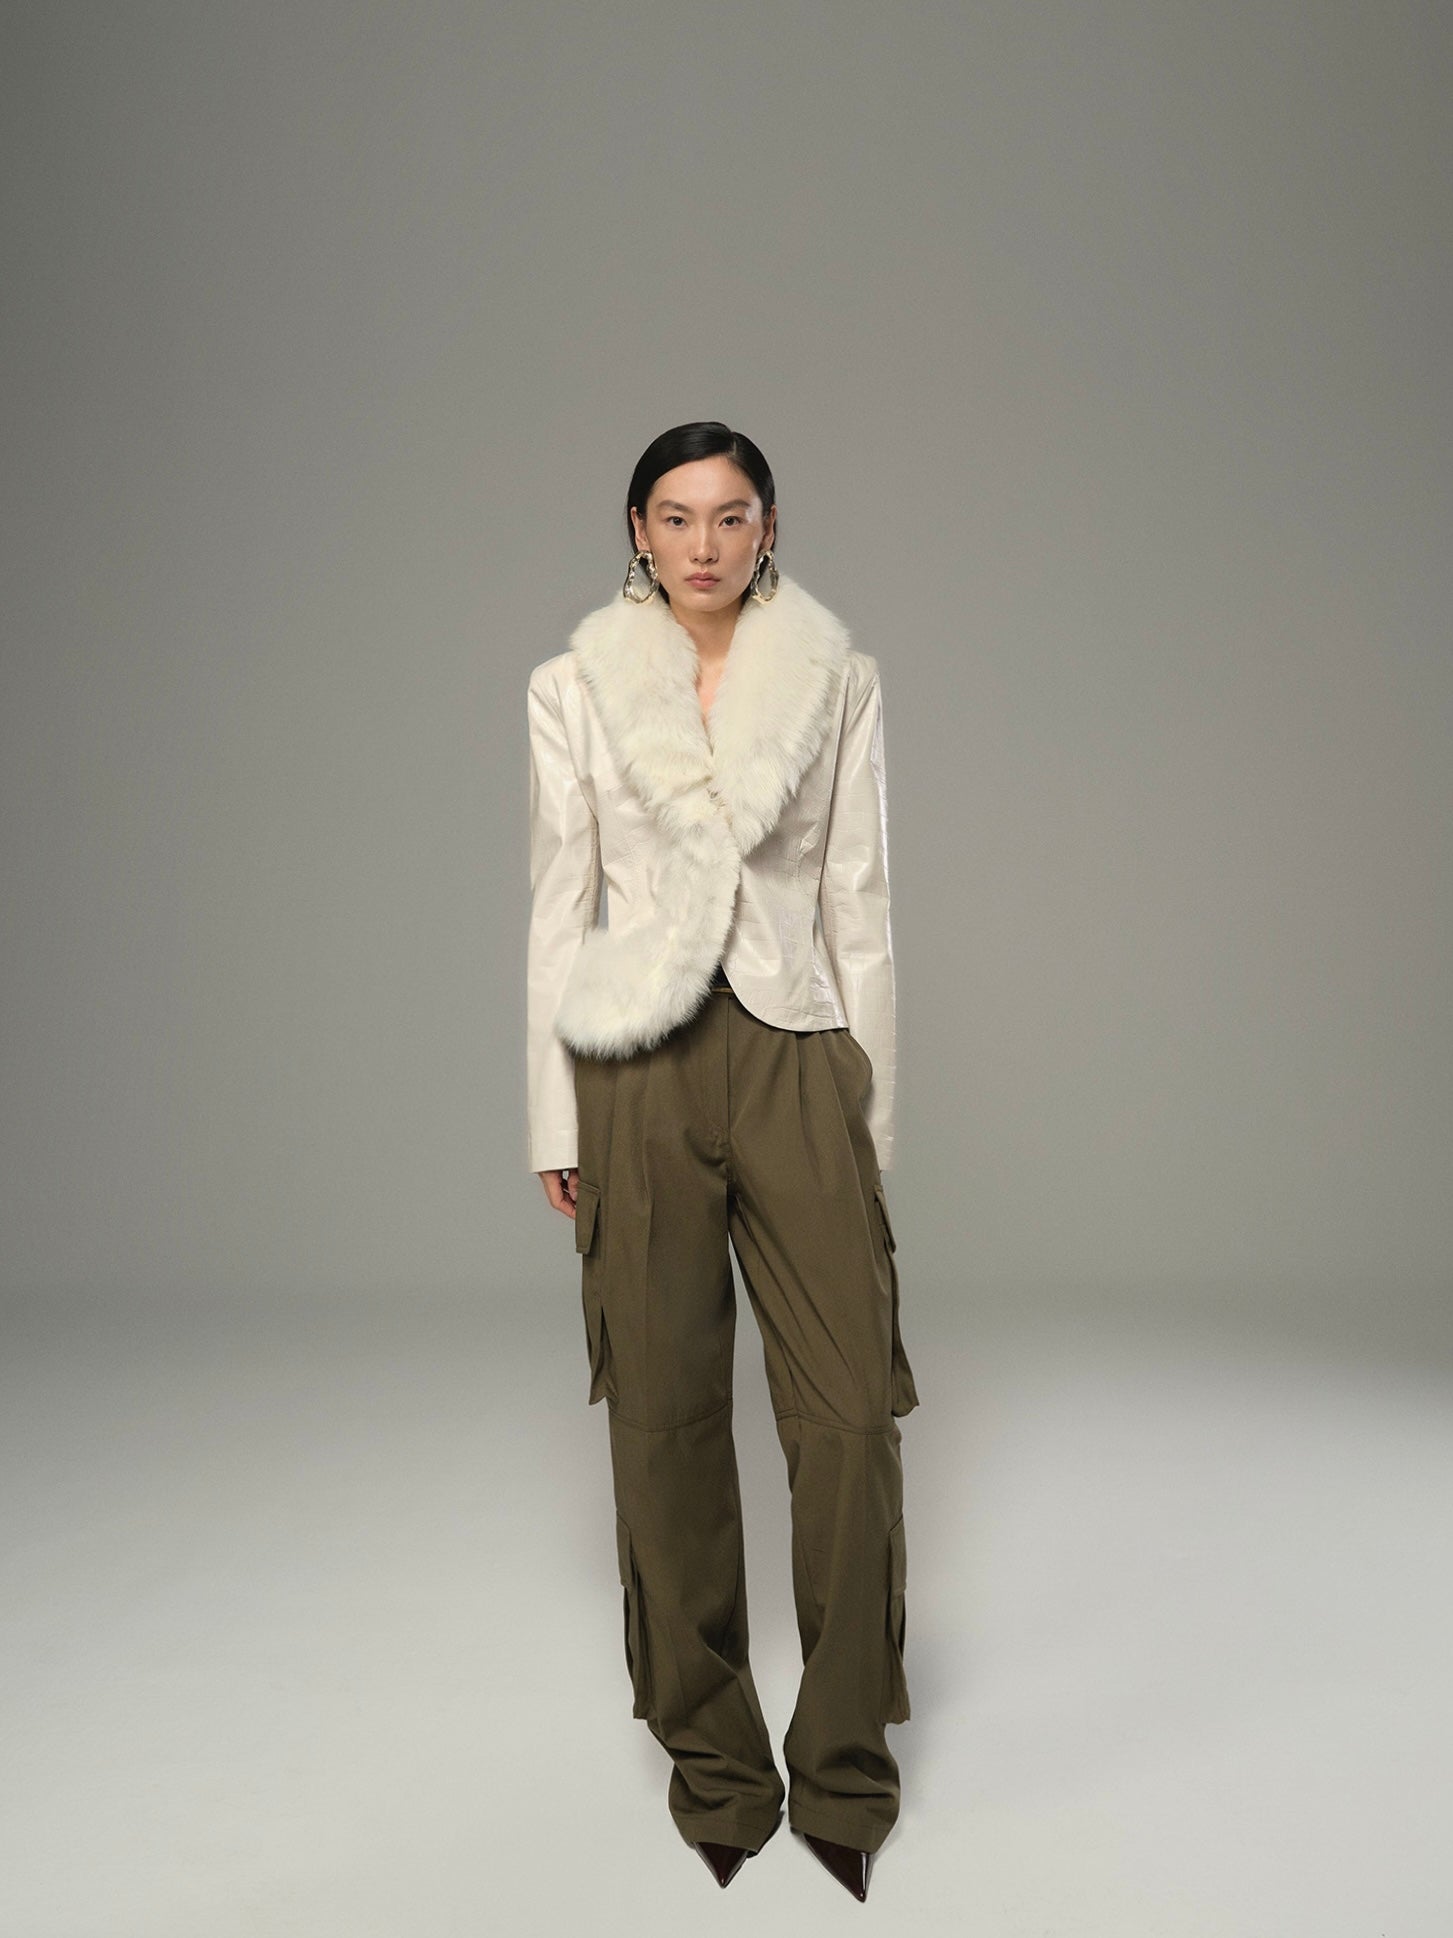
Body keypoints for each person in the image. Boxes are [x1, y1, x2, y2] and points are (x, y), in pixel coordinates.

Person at [525, 421, 920, 1900]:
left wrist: (867, 1121)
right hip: (634, 1069)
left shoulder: (838, 681)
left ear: (769, 529)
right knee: (664, 1418)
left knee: (848, 1418)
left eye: (732, 515)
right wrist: (554, 1120)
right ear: (638, 529)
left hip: (796, 1053)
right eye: (677, 516)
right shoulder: (572, 687)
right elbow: (560, 902)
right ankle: (715, 1764)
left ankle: (844, 1763)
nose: (704, 543)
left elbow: (859, 900)